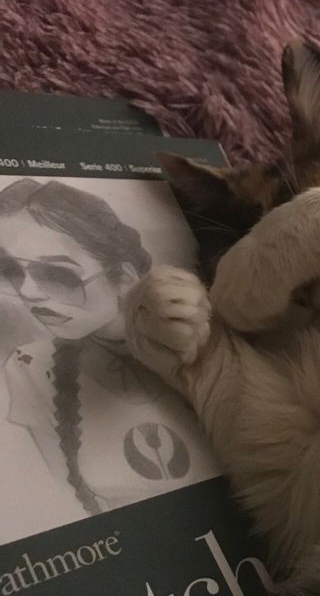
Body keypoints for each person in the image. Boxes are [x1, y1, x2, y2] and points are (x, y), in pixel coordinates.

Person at [0, 177, 216, 517]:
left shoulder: (204, 334)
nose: (29, 293)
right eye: (11, 270)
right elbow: (69, 507)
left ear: (125, 277)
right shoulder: (29, 367)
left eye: (57, 274)